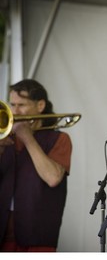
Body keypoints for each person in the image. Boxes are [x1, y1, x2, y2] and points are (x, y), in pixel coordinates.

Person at [0, 79, 72, 252]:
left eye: (21, 105)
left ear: (40, 105)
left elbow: (53, 178)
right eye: (12, 104)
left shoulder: (59, 139)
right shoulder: (6, 139)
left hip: (37, 239)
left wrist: (27, 137)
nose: (14, 111)